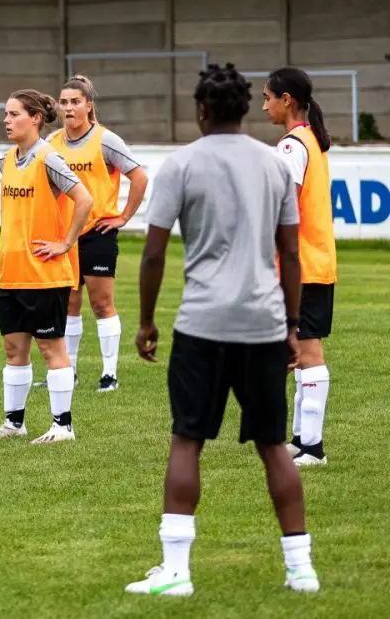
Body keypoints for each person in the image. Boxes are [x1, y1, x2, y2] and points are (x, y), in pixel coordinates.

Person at [126, 63, 319, 596]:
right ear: (241, 109)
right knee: (274, 445)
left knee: (188, 439)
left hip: (203, 324)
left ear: (202, 109)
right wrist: (292, 325)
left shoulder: (181, 164)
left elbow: (154, 253)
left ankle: (177, 572)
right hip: (262, 322)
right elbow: (289, 253)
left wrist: (146, 321)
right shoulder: (273, 164)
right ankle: (301, 568)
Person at [0, 89, 93, 444]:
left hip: (45, 274)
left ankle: (63, 426)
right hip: (10, 273)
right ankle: (14, 423)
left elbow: (84, 200)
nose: (7, 120)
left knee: (50, 349)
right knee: (14, 350)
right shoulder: (6, 161)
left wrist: (66, 242)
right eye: (6, 114)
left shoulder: (49, 159)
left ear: (36, 119)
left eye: (14, 114)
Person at [42, 75, 147, 393]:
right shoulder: (52, 143)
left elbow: (139, 177)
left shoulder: (105, 140)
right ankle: (69, 370)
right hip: (66, 236)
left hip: (98, 232)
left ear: (89, 105)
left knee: (102, 304)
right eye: (64, 102)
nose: (68, 107)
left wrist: (123, 217)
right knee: (69, 303)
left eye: (75, 101)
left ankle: (109, 374)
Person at [263, 67, 337, 467]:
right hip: (314, 261)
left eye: (267, 97)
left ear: (286, 99)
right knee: (298, 351)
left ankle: (313, 447)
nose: (264, 106)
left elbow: (284, 209)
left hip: (301, 266)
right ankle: (300, 439)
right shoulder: (312, 139)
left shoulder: (292, 146)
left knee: (308, 351)